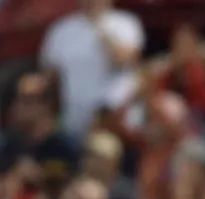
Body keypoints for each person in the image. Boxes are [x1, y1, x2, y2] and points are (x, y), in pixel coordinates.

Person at [39, 0, 144, 138]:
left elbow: (123, 61)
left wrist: (99, 27)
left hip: (115, 123)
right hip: (73, 123)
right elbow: (50, 77)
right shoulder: (60, 30)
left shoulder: (126, 23)